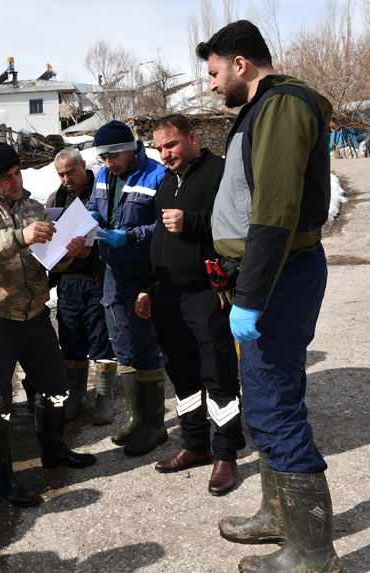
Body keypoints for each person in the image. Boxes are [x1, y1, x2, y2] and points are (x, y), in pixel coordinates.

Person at [197, 20, 341, 572]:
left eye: (214, 72)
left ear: (240, 64)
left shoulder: (280, 105)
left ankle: (313, 553)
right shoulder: (261, 108)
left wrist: (251, 297)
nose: (212, 84)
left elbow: (275, 212)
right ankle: (280, 515)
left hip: (277, 279)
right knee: (267, 402)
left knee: (273, 406)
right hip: (267, 277)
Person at [0, 141, 96, 508]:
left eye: (18, 173)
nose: (16, 181)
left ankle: (53, 450)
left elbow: (46, 259)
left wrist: (68, 253)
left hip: (35, 314)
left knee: (56, 388)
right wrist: (21, 236)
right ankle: (3, 477)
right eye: (7, 177)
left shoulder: (34, 208)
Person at [134, 115, 245, 496]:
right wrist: (150, 287)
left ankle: (226, 454)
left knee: (218, 374)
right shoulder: (167, 182)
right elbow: (159, 243)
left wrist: (193, 222)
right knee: (182, 376)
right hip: (169, 296)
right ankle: (195, 444)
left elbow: (239, 225)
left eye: (172, 145)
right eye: (159, 149)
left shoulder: (219, 173)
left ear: (192, 138)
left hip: (207, 293)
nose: (165, 154)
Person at [86, 121, 168, 455]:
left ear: (131, 148)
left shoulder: (157, 176)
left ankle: (155, 426)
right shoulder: (103, 176)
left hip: (143, 273)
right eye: (104, 157)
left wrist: (130, 236)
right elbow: (94, 206)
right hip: (113, 272)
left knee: (145, 346)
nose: (109, 163)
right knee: (121, 344)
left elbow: (164, 227)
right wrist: (91, 219)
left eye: (114, 156)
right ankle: (136, 418)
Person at [45, 147, 116, 423]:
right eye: (61, 175)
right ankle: (76, 395)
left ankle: (105, 398)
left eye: (70, 172)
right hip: (67, 282)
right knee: (71, 339)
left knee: (101, 339)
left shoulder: (101, 192)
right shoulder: (56, 199)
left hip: (96, 279)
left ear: (83, 165)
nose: (66, 179)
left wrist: (90, 249)